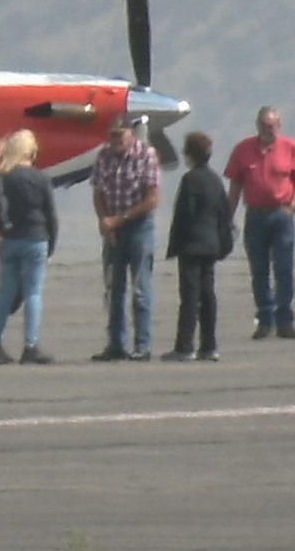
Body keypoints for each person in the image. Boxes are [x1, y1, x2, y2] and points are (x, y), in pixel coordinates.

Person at [226, 108, 295, 341]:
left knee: (283, 267)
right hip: (255, 216)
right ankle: (265, 320)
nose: (268, 129)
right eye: (264, 125)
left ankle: (285, 320)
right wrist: (228, 216)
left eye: (272, 125)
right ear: (257, 125)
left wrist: (292, 205)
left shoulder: (289, 147)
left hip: (281, 216)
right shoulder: (243, 150)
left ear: (279, 125)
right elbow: (235, 185)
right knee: (259, 269)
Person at [86, 110, 164, 361]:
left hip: (139, 227)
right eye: (112, 135)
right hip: (113, 229)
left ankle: (142, 345)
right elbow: (98, 192)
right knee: (114, 288)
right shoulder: (103, 157)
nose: (116, 139)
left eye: (120, 134)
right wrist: (104, 222)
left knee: (140, 288)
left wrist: (119, 219)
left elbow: (152, 198)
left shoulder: (145, 155)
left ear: (131, 134)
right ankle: (115, 344)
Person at [0, 129, 58, 364]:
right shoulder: (40, 178)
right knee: (33, 292)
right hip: (35, 238)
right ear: (31, 152)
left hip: (9, 239)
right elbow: (51, 216)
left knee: (6, 292)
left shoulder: (0, 178)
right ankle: (30, 346)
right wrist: (51, 245)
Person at [164, 128, 232, 362]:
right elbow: (225, 215)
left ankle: (184, 346)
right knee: (208, 296)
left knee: (190, 298)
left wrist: (175, 245)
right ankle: (209, 345)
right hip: (211, 246)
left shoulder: (190, 180)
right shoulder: (215, 180)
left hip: (192, 246)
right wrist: (224, 245)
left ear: (190, 154)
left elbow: (184, 215)